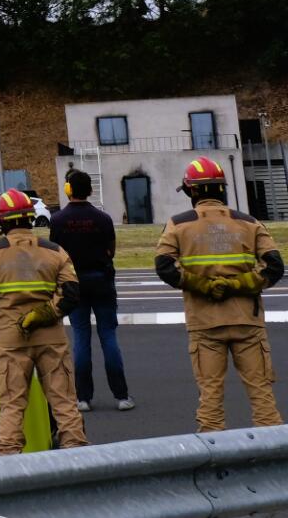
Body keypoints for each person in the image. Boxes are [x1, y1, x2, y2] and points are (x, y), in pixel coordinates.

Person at [155, 156, 284, 432]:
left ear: (191, 191)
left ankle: (215, 464)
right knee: (262, 396)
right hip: (247, 323)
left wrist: (202, 286)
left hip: (205, 324)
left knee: (210, 398)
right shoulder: (249, 222)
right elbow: (274, 266)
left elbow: (164, 266)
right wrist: (238, 285)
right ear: (222, 189)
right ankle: (277, 462)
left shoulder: (177, 224)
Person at [0, 188, 87, 455]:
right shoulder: (55, 251)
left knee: (11, 402)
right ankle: (78, 455)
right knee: (63, 401)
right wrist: (43, 313)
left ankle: (8, 460)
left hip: (12, 338)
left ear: (1, 220)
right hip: (51, 337)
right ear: (31, 218)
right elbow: (72, 295)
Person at [49, 169, 135, 412]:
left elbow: (56, 255)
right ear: (90, 190)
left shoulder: (57, 220)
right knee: (108, 337)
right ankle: (122, 396)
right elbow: (112, 251)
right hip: (102, 281)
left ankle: (83, 398)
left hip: (74, 285)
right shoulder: (103, 219)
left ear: (68, 190)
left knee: (81, 339)